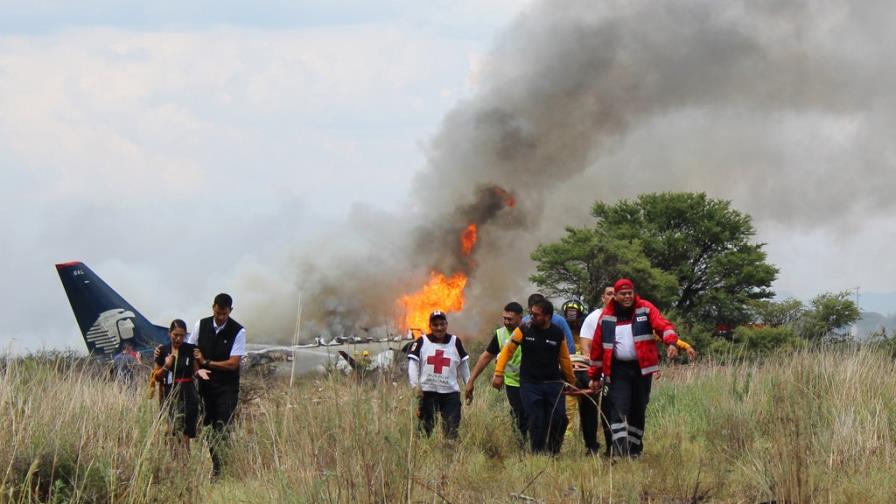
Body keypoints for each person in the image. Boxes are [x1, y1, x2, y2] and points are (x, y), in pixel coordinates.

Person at [580, 284, 698, 456]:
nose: (627, 297)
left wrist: (671, 343)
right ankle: (619, 452)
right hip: (617, 370)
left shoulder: (645, 309)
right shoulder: (606, 316)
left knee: (638, 409)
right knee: (617, 409)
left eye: (630, 293)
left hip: (641, 370)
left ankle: (635, 450)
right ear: (616, 297)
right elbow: (597, 348)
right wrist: (595, 376)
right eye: (623, 294)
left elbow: (663, 326)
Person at [493, 299, 577, 454]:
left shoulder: (557, 333)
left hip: (553, 383)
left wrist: (571, 381)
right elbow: (507, 351)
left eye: (536, 315)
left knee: (560, 419)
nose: (531, 317)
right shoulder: (524, 329)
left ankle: (553, 452)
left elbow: (565, 359)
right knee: (537, 419)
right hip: (530, 384)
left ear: (548, 317)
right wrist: (499, 373)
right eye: (531, 313)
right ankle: (537, 454)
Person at [189, 293, 247, 476]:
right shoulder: (201, 324)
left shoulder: (238, 331)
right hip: (206, 386)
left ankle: (221, 469)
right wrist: (198, 370)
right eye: (217, 313)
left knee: (222, 426)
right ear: (212, 307)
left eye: (224, 314)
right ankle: (216, 465)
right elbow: (192, 351)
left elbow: (233, 363)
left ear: (230, 311)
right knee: (208, 426)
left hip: (227, 388)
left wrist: (207, 363)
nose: (220, 317)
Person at [464, 302, 528, 440]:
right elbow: (485, 357)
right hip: (513, 382)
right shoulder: (501, 334)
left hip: (532, 381)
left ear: (520, 317)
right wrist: (471, 381)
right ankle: (523, 446)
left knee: (534, 414)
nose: (506, 322)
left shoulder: (529, 331)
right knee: (519, 415)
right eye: (504, 318)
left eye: (510, 319)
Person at [407, 311, 470, 439]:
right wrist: (415, 386)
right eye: (435, 325)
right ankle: (423, 455)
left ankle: (449, 456)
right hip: (428, 393)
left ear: (447, 324)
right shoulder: (422, 341)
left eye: (442, 324)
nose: (439, 328)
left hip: (450, 393)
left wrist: (468, 385)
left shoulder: (455, 341)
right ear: (430, 326)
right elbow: (413, 364)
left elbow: (464, 365)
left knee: (451, 429)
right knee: (425, 430)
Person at [154, 319, 210, 454]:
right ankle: (173, 462)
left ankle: (185, 463)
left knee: (185, 430)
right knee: (171, 429)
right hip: (169, 392)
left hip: (187, 392)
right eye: (175, 335)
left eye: (182, 335)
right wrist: (167, 366)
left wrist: (199, 372)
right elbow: (156, 376)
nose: (178, 338)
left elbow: (195, 370)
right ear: (169, 333)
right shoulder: (162, 351)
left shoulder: (190, 349)